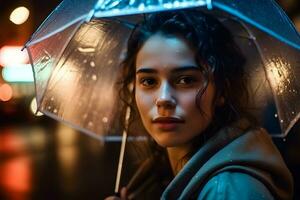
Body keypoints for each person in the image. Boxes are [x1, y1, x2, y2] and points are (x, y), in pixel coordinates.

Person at [106, 9, 293, 199]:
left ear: (221, 90)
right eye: (148, 81)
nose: (163, 99)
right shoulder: (156, 178)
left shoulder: (229, 191)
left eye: (186, 80)